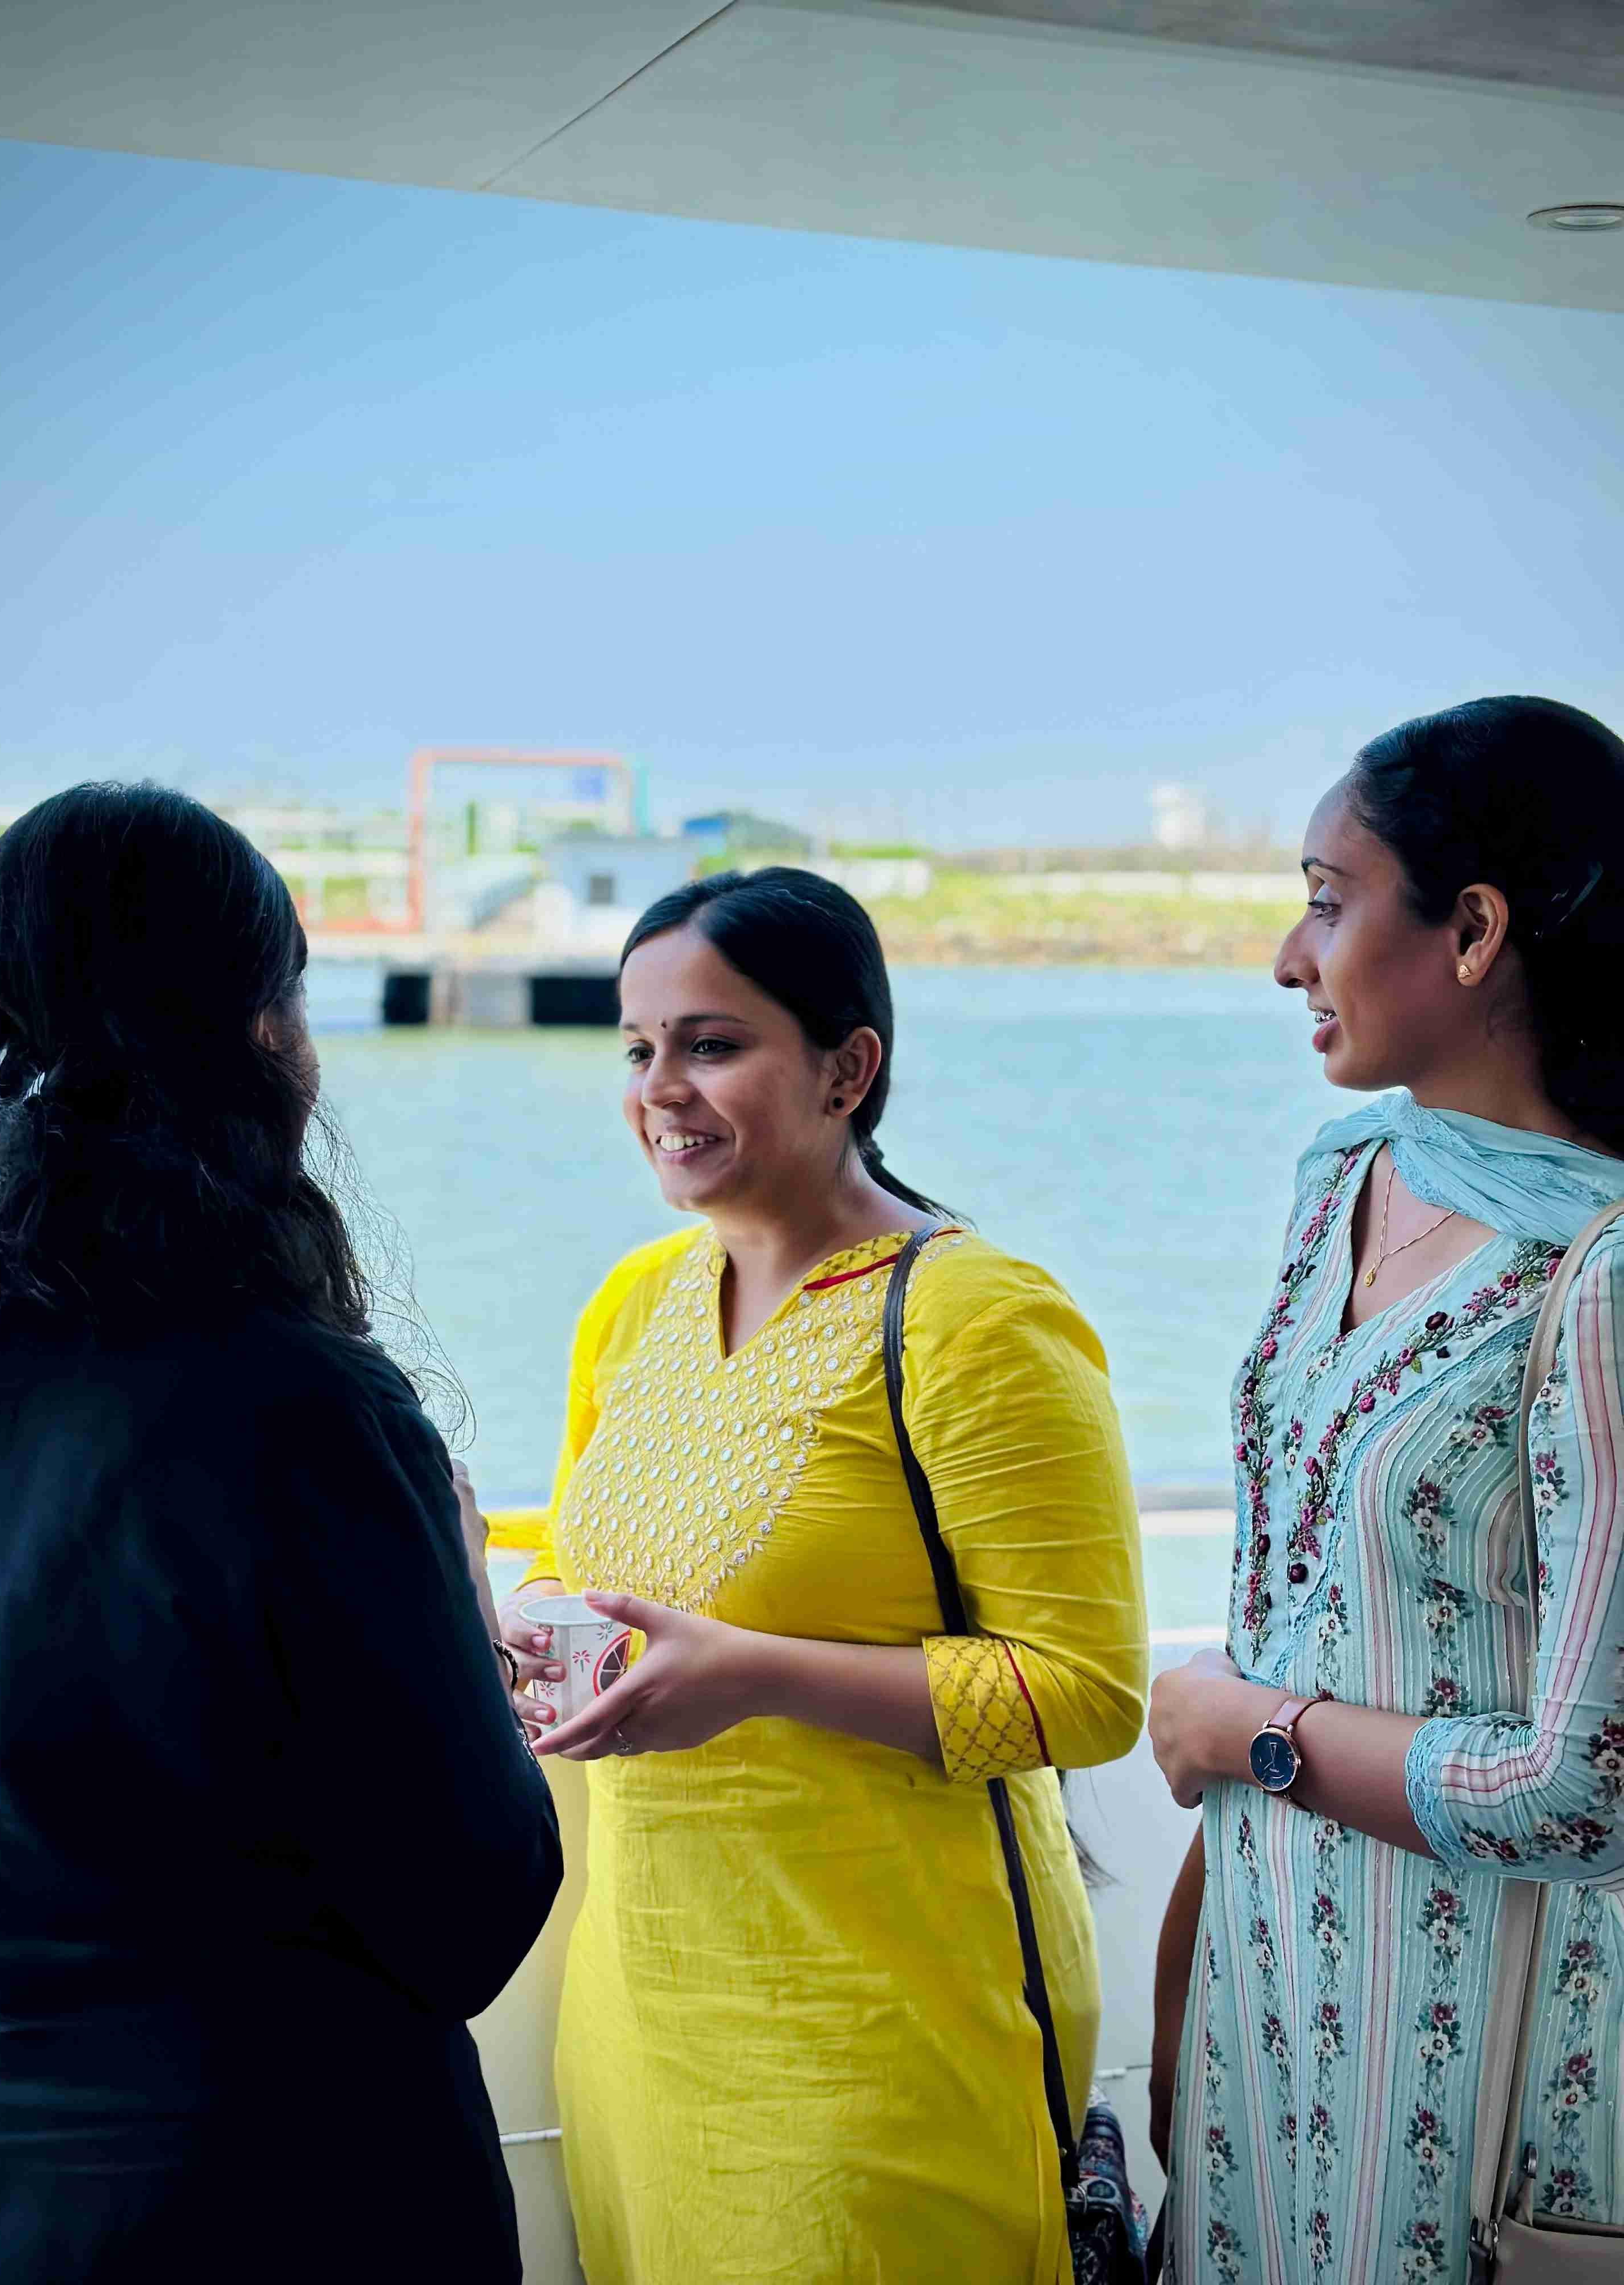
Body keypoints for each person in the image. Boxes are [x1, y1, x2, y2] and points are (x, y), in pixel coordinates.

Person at [0, 785, 561, 2282]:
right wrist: (459, 1599)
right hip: (280, 2191)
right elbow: (469, 1911)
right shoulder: (295, 1407)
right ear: (256, 1041)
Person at [498, 867, 1147, 2285]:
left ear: (851, 1067)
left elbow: (1089, 1694)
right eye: (638, 1047)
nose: (661, 1087)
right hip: (646, 2011)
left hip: (880, 2028)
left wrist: (751, 1677)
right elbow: (580, 1570)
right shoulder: (635, 1305)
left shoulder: (978, 1319)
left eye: (713, 1044)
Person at [1147, 696, 1624, 2283]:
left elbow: (1589, 1787)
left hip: (1477, 2085)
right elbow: (1288, 1602)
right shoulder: (1342, 1179)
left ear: (1475, 930)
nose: (1291, 954)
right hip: (1261, 2035)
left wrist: (1249, 1734)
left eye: (1328, 898)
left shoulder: (1604, 1276)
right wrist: (1187, 1974)